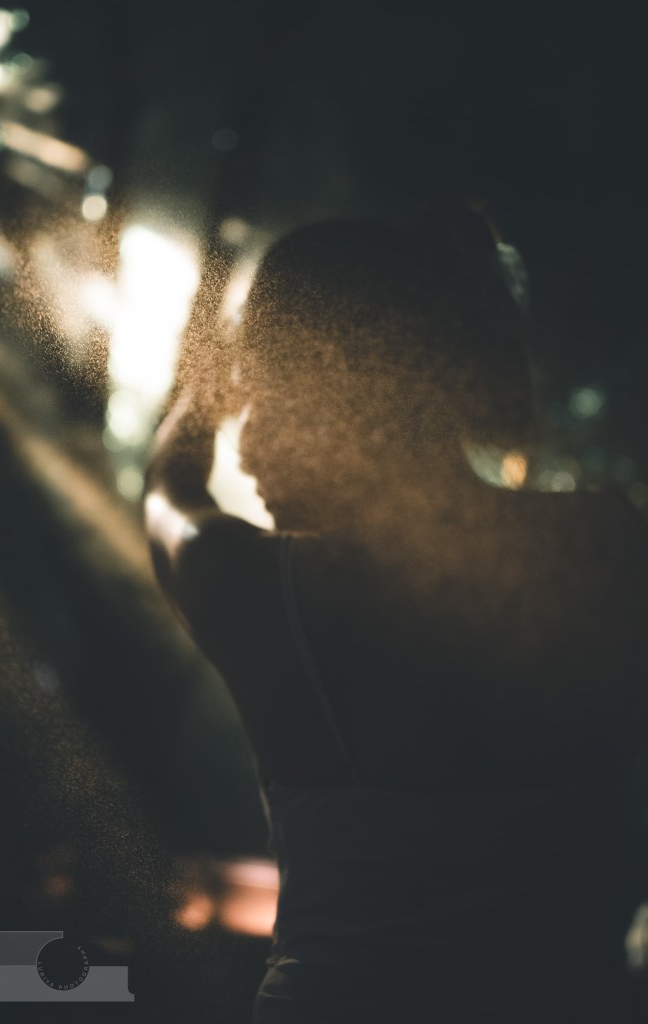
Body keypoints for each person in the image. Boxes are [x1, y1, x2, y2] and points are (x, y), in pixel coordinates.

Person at [145, 210, 647, 1022]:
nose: (245, 444)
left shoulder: (259, 587)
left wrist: (205, 387)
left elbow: (167, 489)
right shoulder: (610, 551)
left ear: (342, 386)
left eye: (265, 393)